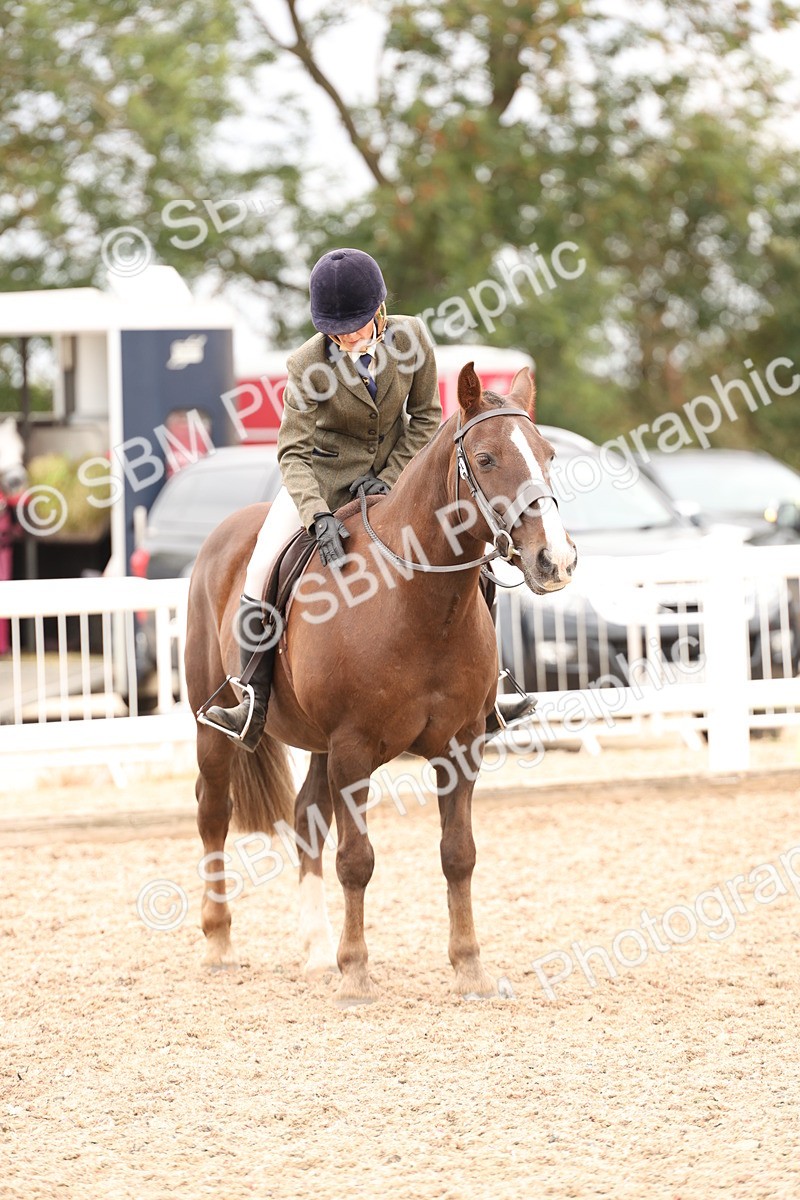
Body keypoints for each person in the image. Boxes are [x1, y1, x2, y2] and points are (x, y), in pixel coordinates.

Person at [203, 247, 535, 749]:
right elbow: (292, 450)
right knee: (261, 568)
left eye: (356, 326)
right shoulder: (306, 364)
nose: (347, 337)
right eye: (337, 330)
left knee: (471, 554)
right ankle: (251, 695)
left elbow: (426, 417)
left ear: (380, 311)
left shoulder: (412, 337)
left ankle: (491, 688)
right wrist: (315, 517)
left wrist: (390, 478)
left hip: (398, 481)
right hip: (321, 481)